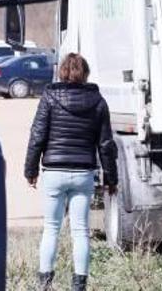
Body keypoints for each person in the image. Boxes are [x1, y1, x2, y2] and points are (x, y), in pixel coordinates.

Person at [24, 53, 118, 291]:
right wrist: (111, 178)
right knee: (80, 230)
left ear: (62, 71)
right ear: (85, 73)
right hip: (83, 173)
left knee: (51, 228)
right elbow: (106, 144)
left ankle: (44, 284)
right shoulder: (97, 101)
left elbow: (37, 136)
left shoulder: (49, 97)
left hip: (54, 172)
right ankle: (79, 285)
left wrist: (31, 169)